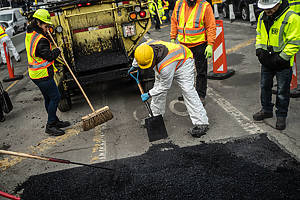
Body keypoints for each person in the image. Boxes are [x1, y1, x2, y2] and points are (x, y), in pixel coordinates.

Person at [129, 40, 209, 137]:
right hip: (167, 62)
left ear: (153, 58)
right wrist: (134, 66)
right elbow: (139, 54)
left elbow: (164, 86)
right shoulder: (145, 47)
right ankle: (156, 116)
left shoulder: (165, 68)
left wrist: (149, 94)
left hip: (183, 62)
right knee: (158, 93)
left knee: (188, 91)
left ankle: (201, 123)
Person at [254, 0, 300, 130]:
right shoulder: (263, 16)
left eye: (271, 8)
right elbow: (259, 34)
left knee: (282, 91)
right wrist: (259, 50)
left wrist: (281, 58)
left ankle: (281, 115)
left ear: (279, 3)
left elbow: (294, 42)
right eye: (265, 8)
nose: (268, 11)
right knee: (264, 86)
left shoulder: (292, 18)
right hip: (267, 60)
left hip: (282, 63)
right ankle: (266, 109)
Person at [25, 9, 71, 136]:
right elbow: (49, 56)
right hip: (42, 75)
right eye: (46, 26)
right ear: (38, 23)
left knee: (48, 98)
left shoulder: (31, 32)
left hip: (36, 74)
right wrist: (57, 50)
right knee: (55, 97)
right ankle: (50, 125)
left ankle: (55, 121)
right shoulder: (40, 40)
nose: (47, 28)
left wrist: (44, 34)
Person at [170, 0, 216, 105]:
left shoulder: (205, 6)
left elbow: (211, 26)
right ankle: (188, 94)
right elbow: (174, 21)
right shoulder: (179, 3)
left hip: (199, 45)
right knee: (185, 73)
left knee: (201, 72)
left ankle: (200, 95)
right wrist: (173, 37)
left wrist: (210, 44)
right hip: (184, 46)